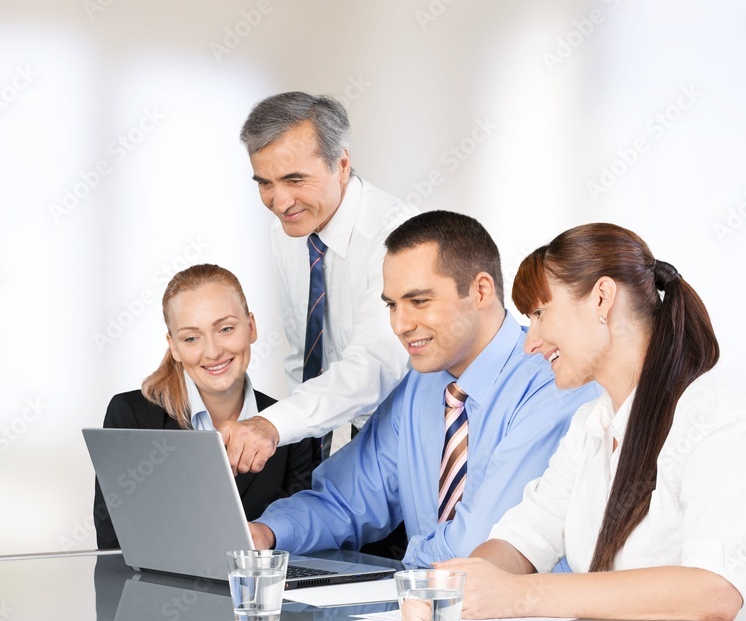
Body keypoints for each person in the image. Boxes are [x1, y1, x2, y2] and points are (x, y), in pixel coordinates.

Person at [436, 223, 746, 621]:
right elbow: (524, 539)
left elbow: (714, 592)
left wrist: (519, 596)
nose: (530, 342)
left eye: (539, 313)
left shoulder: (717, 418)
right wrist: (457, 591)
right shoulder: (590, 426)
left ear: (602, 299)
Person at [248, 211, 599, 566]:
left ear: (480, 291)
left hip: (524, 618)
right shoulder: (421, 384)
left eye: (418, 301)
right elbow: (345, 500)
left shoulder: (556, 382)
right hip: (432, 610)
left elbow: (480, 545)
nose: (400, 325)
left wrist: (400, 569)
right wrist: (268, 532)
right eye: (392, 305)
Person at [225, 92, 418, 474]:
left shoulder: (399, 236)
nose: (280, 202)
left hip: (405, 445)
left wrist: (274, 424)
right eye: (265, 183)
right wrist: (301, 455)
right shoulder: (287, 233)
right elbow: (304, 354)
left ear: (341, 163)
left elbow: (374, 366)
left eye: (295, 179)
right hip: (331, 445)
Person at [93, 264, 314, 550]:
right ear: (174, 347)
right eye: (191, 338)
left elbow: (298, 543)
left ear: (251, 327)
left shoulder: (288, 425)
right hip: (157, 593)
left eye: (225, 329)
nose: (212, 352)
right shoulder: (131, 416)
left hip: (257, 592)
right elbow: (114, 546)